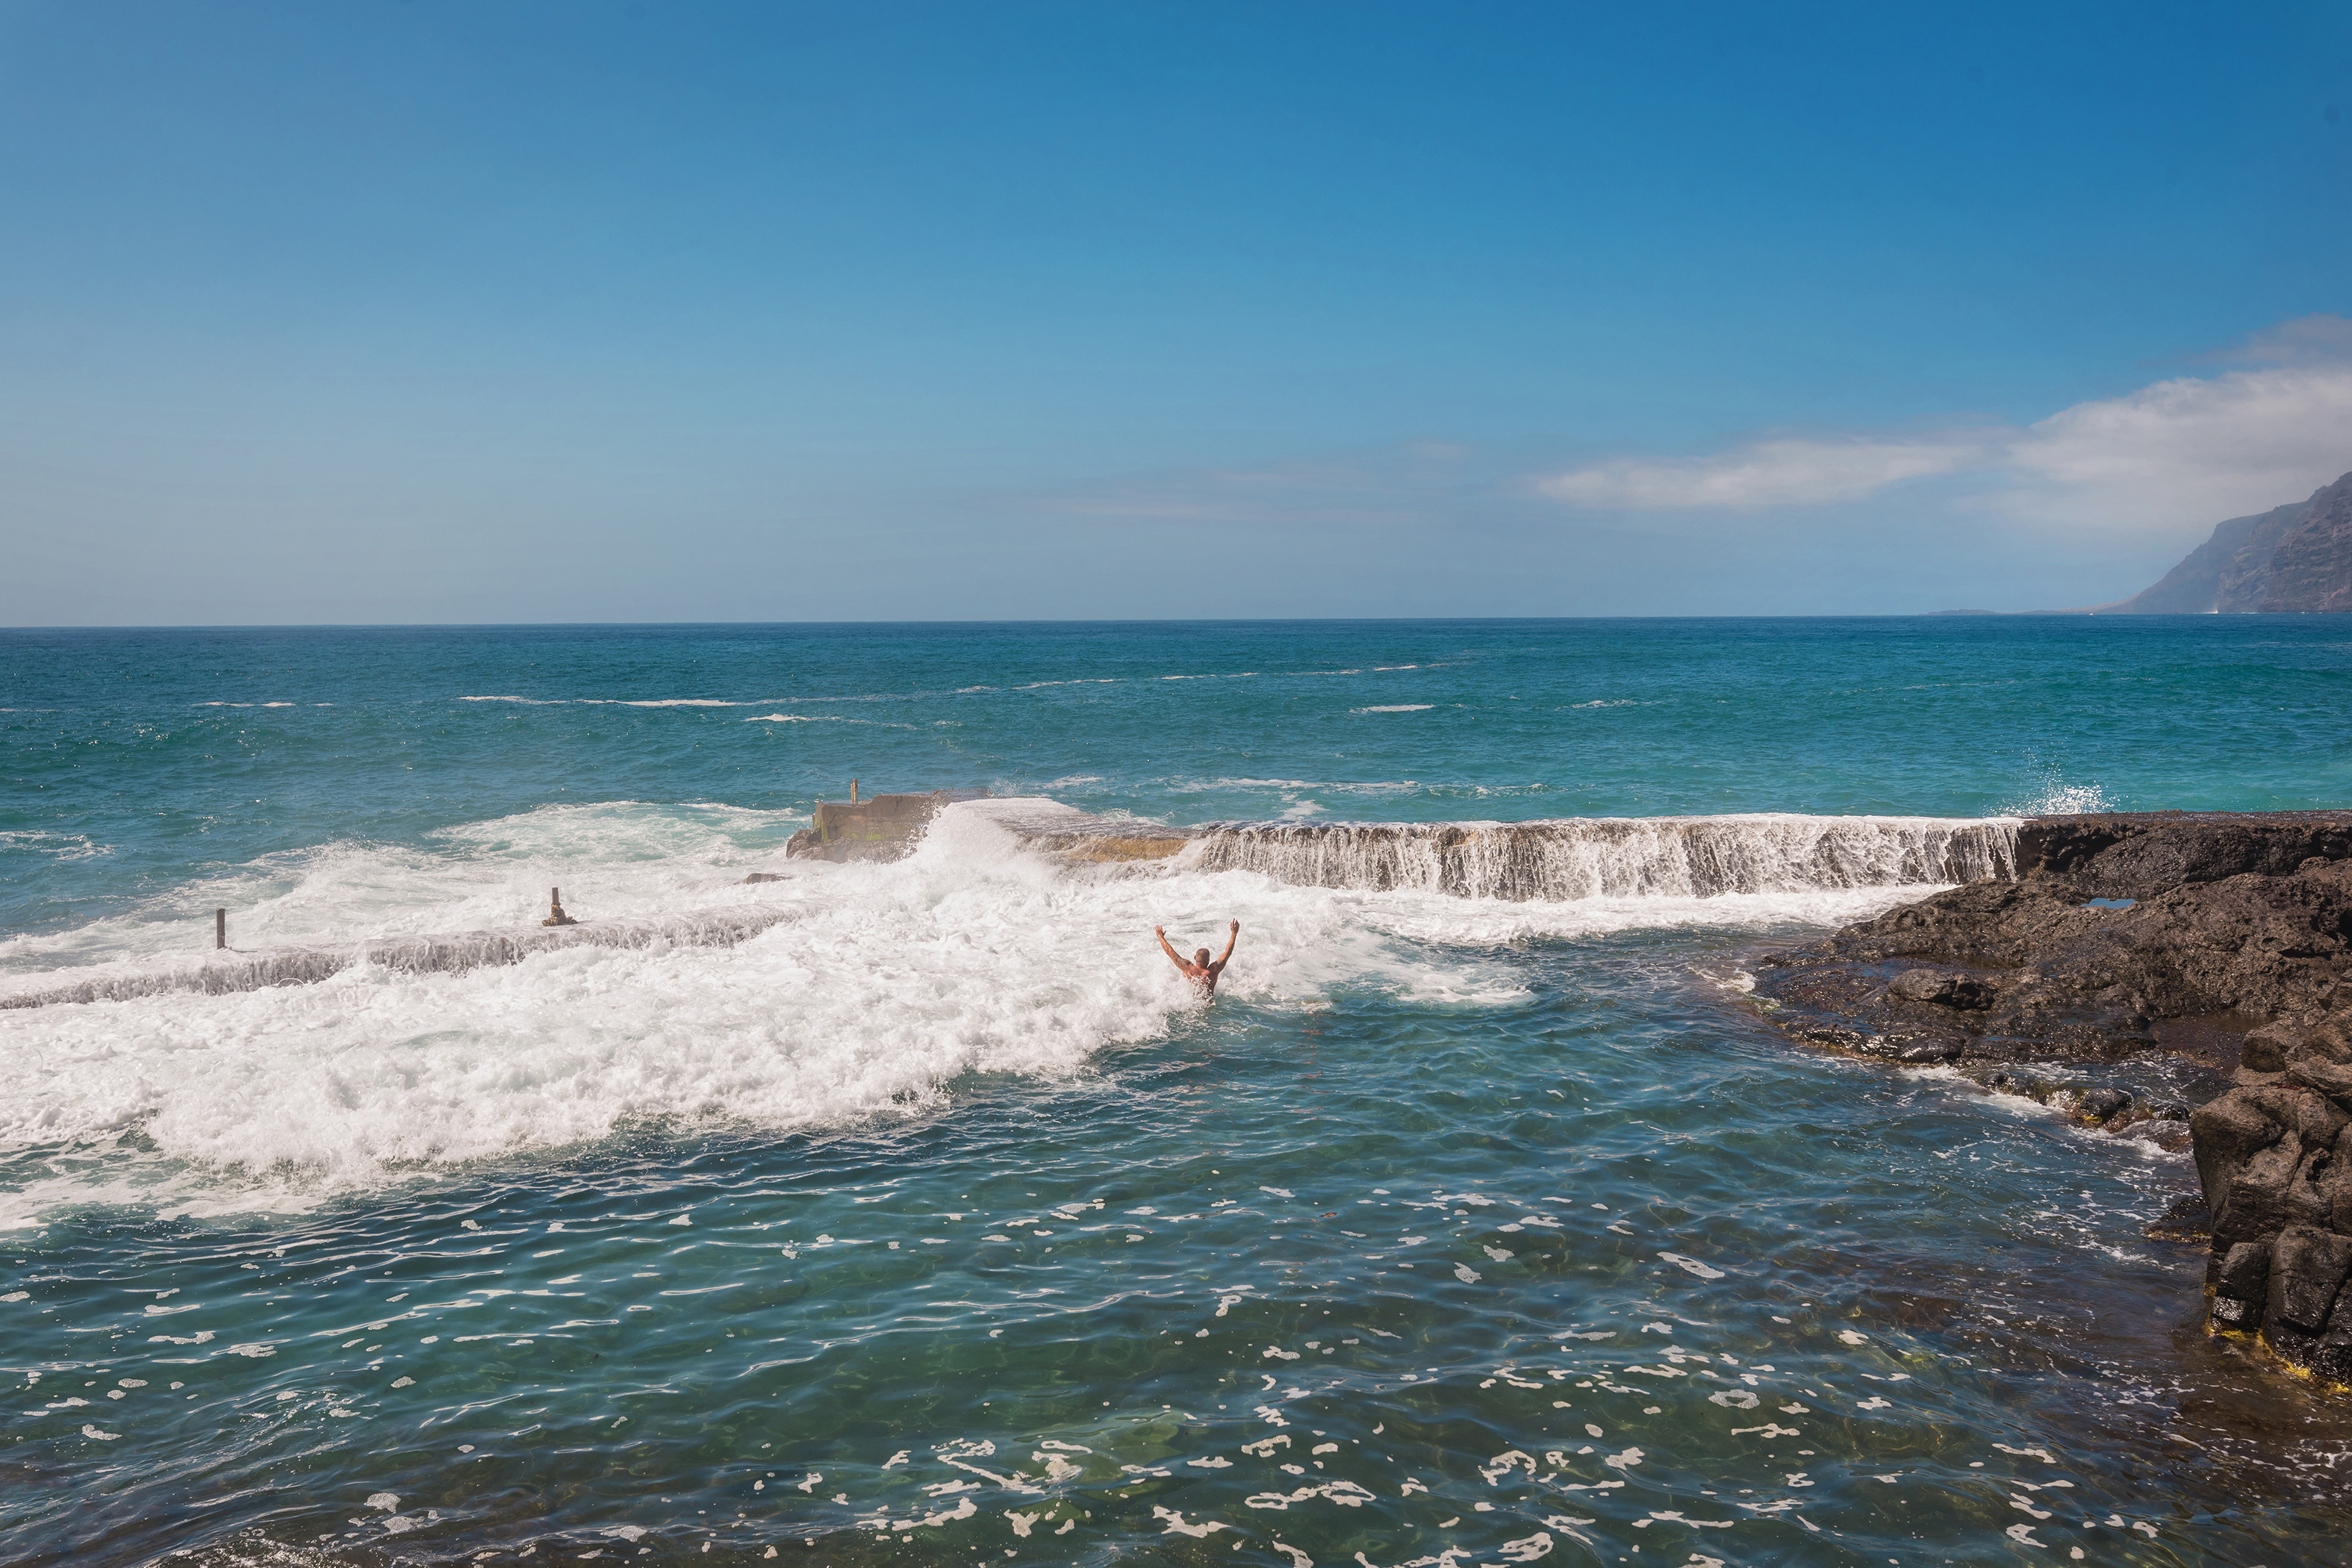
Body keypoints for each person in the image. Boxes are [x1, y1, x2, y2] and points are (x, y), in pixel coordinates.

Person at [1156, 919, 1239, 996]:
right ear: (1208, 961)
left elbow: (1169, 952)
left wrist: (1161, 937)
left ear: (1195, 957)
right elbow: (1228, 952)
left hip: (1191, 1005)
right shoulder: (1213, 970)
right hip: (1208, 1006)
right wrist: (1234, 933)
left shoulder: (1187, 968)